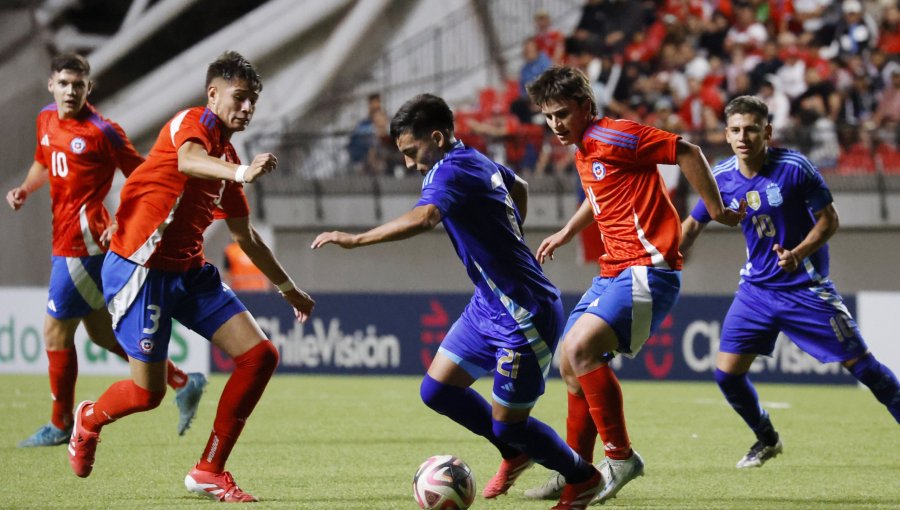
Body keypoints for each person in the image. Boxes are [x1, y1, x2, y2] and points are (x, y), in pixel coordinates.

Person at [312, 93, 604, 510]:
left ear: (436, 137)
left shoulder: (447, 170)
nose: (411, 164)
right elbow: (517, 186)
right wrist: (509, 233)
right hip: (489, 304)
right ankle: (515, 453)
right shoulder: (476, 160)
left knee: (508, 425)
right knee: (437, 390)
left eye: (413, 153)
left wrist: (357, 239)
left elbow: (426, 217)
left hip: (523, 312)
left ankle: (582, 477)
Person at [65, 51, 316, 503]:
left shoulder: (229, 158)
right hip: (139, 270)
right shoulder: (190, 124)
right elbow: (187, 161)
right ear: (213, 93)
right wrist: (241, 171)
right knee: (148, 394)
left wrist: (288, 288)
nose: (247, 108)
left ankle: (209, 470)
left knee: (260, 357)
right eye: (239, 98)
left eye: (253, 101)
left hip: (189, 271)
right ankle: (89, 418)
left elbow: (247, 237)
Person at [522, 66, 745, 502]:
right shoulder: (585, 147)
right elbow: (599, 192)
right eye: (548, 117)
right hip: (613, 270)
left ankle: (621, 458)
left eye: (562, 114)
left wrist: (714, 210)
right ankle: (576, 473)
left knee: (581, 349)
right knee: (568, 362)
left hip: (650, 267)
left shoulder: (615, 135)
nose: (556, 125)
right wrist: (568, 231)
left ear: (586, 106)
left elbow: (688, 152)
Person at [680, 95, 900, 468]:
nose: (743, 137)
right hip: (756, 292)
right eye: (735, 130)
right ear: (727, 134)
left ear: (767, 131)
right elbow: (693, 224)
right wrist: (665, 261)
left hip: (806, 289)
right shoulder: (720, 176)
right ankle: (767, 439)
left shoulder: (795, 168)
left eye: (751, 128)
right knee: (727, 376)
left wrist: (797, 253)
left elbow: (829, 220)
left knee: (865, 368)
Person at [6, 53, 207, 447]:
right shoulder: (45, 119)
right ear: (51, 85)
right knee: (100, 334)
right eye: (63, 83)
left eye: (77, 85)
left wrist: (124, 217)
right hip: (65, 242)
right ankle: (182, 380)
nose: (70, 91)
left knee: (54, 333)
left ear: (88, 88)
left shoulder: (103, 132)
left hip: (83, 246)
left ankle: (61, 423)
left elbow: (144, 175)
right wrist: (26, 190)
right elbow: (42, 162)